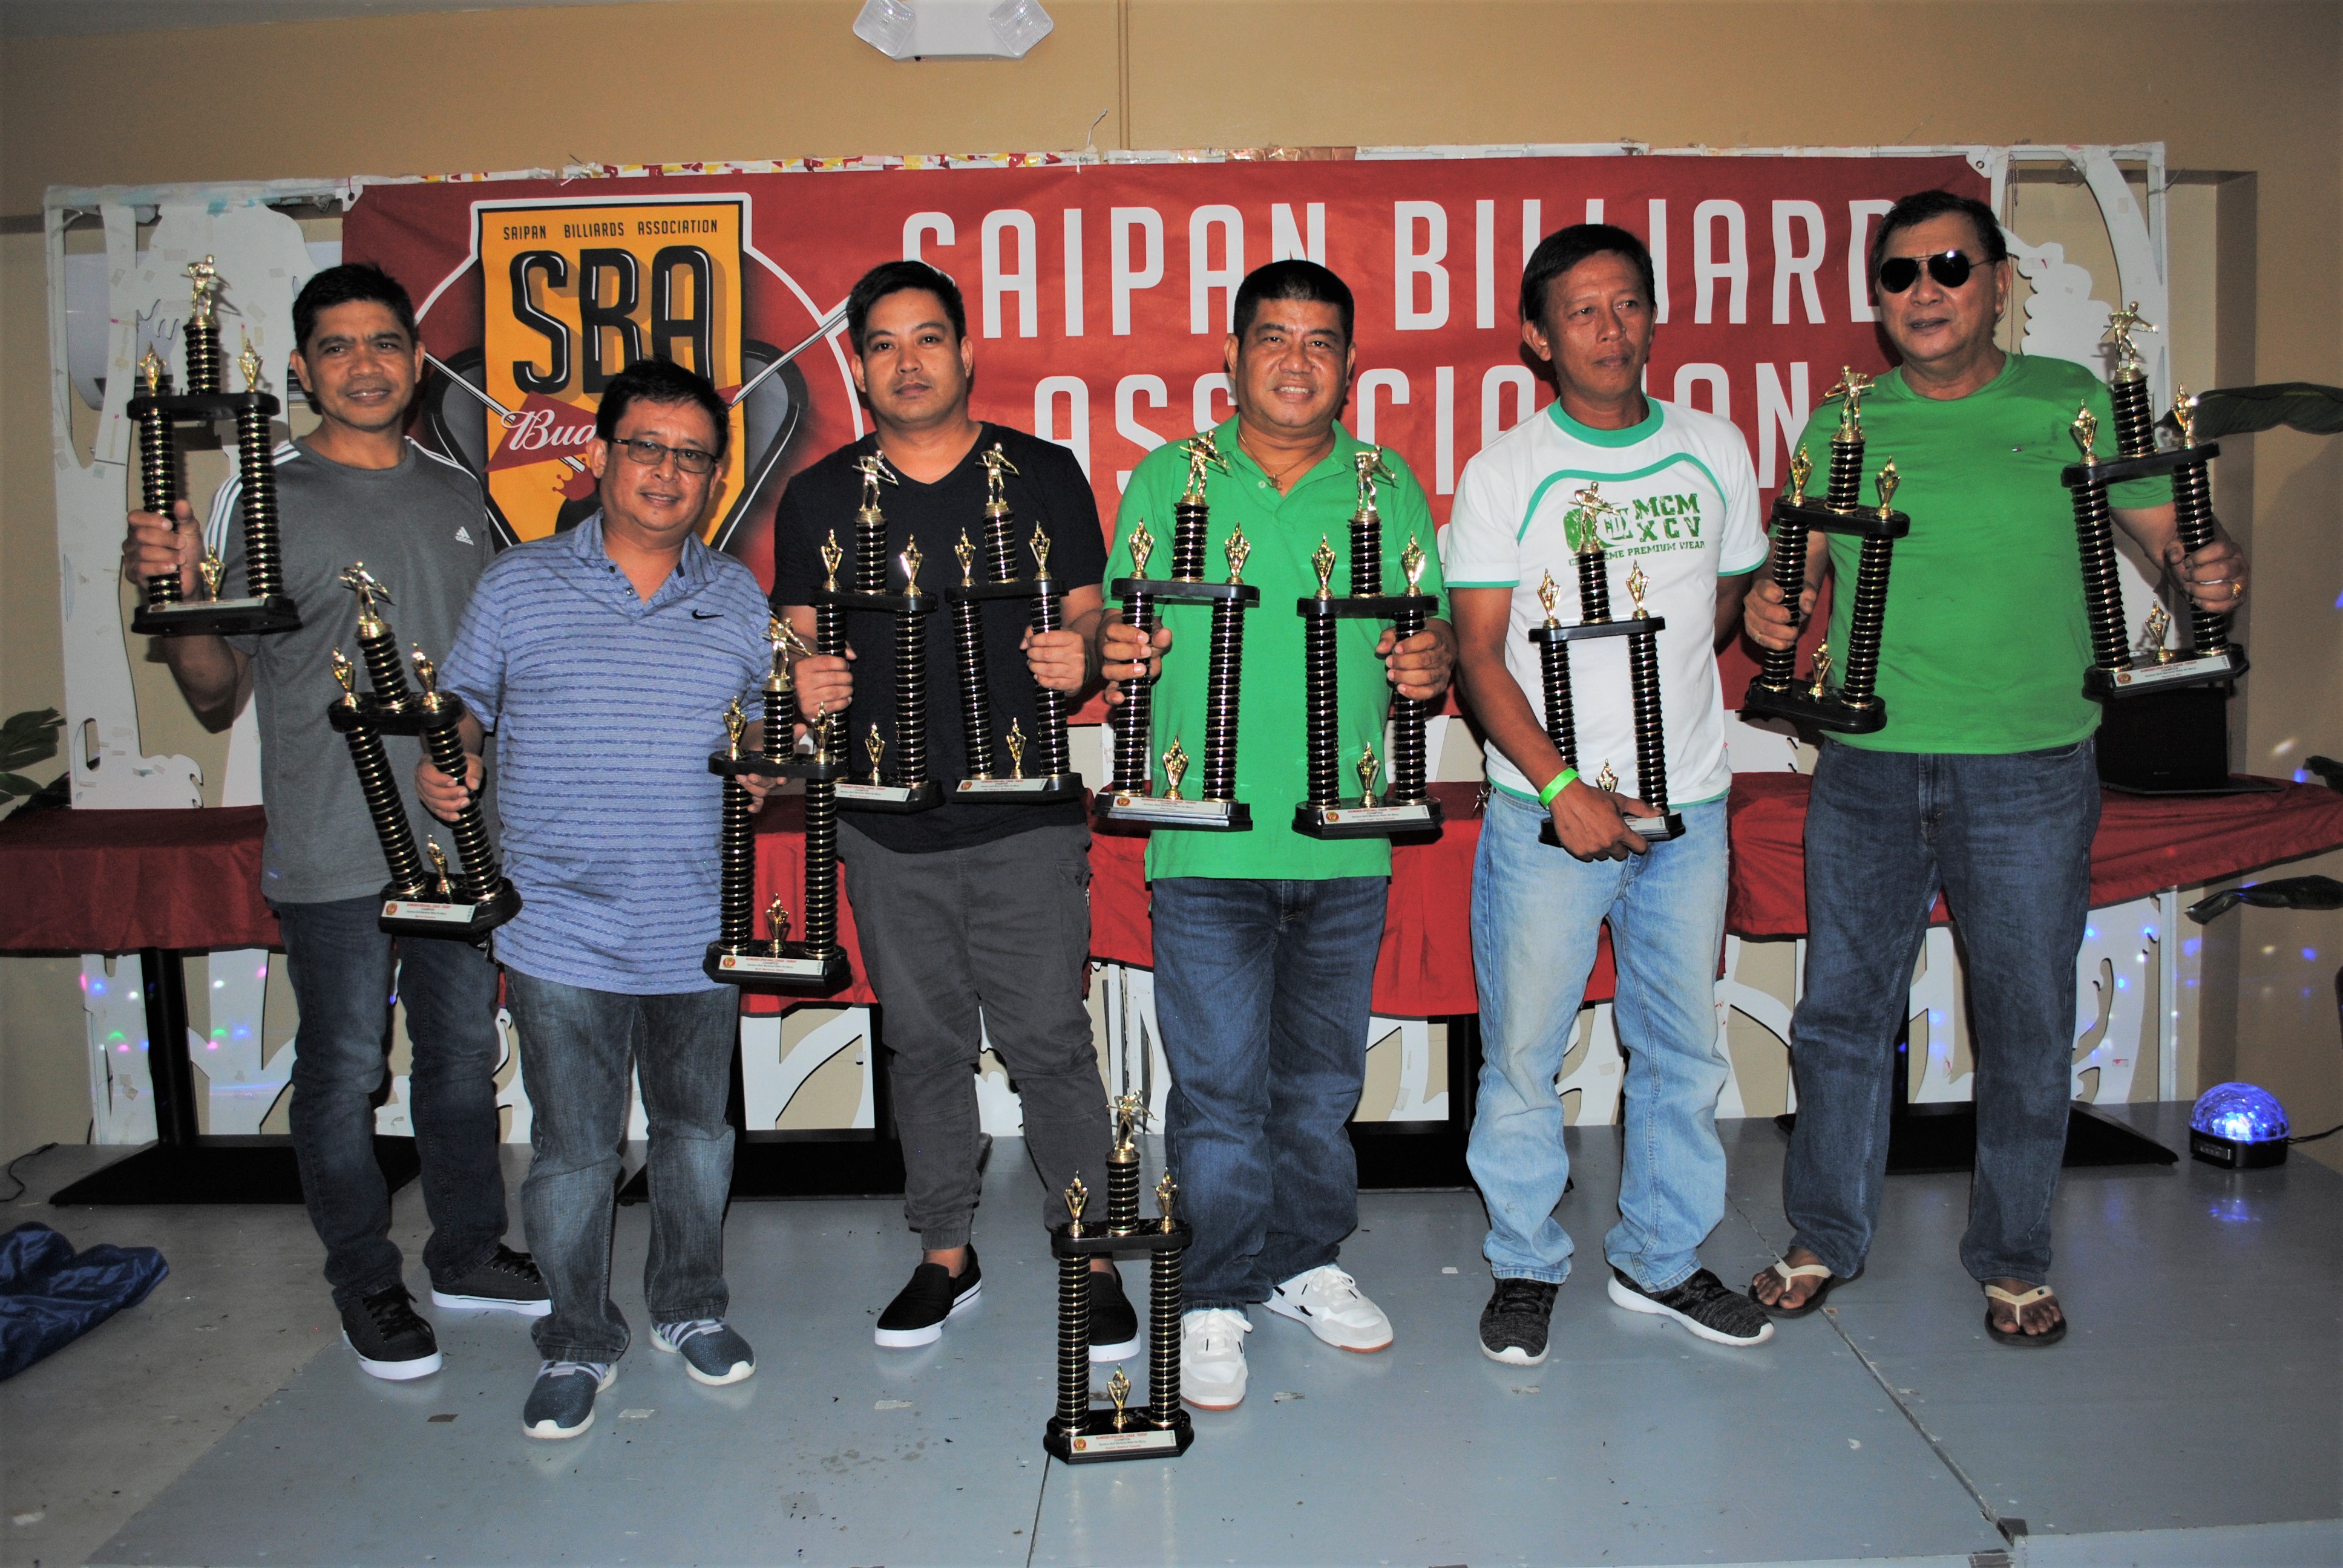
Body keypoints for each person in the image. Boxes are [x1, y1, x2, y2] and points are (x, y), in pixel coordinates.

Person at [1742, 189, 2248, 1345]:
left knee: (2024, 1017)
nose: (1925, 291)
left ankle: (2014, 1256)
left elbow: (2180, 542)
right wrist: (1771, 615)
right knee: (1839, 1016)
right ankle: (1825, 1235)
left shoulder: (2075, 401)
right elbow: (1796, 574)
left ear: (2001, 282)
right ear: (1877, 299)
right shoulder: (1843, 422)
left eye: (1951, 268)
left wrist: (2213, 574)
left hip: (2030, 766)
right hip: (1866, 766)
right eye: (1900, 274)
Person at [120, 263, 546, 1383]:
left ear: (417, 361)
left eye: (387, 342)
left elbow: (488, 678)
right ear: (303, 370)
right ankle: (365, 1276)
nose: (366, 364)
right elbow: (214, 687)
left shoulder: (459, 494)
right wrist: (167, 602)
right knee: (345, 1066)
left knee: (459, 1062)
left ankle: (464, 1252)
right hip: (330, 845)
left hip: (458, 844)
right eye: (340, 347)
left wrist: (481, 745)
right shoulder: (261, 497)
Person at [1090, 260, 1456, 1410]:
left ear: (1350, 363)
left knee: (1316, 1083)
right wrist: (1114, 644)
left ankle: (1303, 1263)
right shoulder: (1167, 478)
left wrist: (1430, 661)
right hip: (1205, 844)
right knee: (1218, 1089)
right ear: (1234, 355)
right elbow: (1119, 615)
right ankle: (1208, 1293)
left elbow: (1425, 633)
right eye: (1273, 337)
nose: (1296, 360)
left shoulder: (1385, 485)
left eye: (1321, 341)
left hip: (1346, 840)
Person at [771, 259, 1134, 1360]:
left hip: (1024, 816)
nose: (908, 361)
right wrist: (800, 681)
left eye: (928, 338)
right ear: (858, 364)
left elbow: (1086, 611)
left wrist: (1076, 653)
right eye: (882, 343)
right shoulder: (824, 495)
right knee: (923, 1049)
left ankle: (1094, 1251)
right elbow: (794, 639)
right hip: (885, 825)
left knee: (1050, 1045)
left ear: (967, 351)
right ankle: (945, 1254)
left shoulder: (1042, 472)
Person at [418, 357, 773, 1437]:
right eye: (645, 448)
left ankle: (689, 1306)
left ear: (714, 477)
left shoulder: (739, 596)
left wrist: (760, 763)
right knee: (573, 1152)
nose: (666, 472)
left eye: (691, 456)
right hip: (559, 923)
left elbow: (755, 736)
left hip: (696, 921)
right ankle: (576, 1336)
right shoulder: (519, 582)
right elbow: (466, 707)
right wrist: (454, 760)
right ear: (603, 456)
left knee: (696, 1134)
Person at [1444, 225, 1773, 1364]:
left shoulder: (1715, 448)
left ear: (1651, 316)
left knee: (1682, 1051)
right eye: (1581, 311)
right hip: (1547, 820)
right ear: (1538, 338)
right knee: (1528, 1053)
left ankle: (1660, 1258)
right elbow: (1477, 656)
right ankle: (1526, 1263)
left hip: (1691, 812)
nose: (1609, 327)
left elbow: (1725, 603)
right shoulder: (1505, 473)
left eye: (1627, 303)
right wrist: (1560, 784)